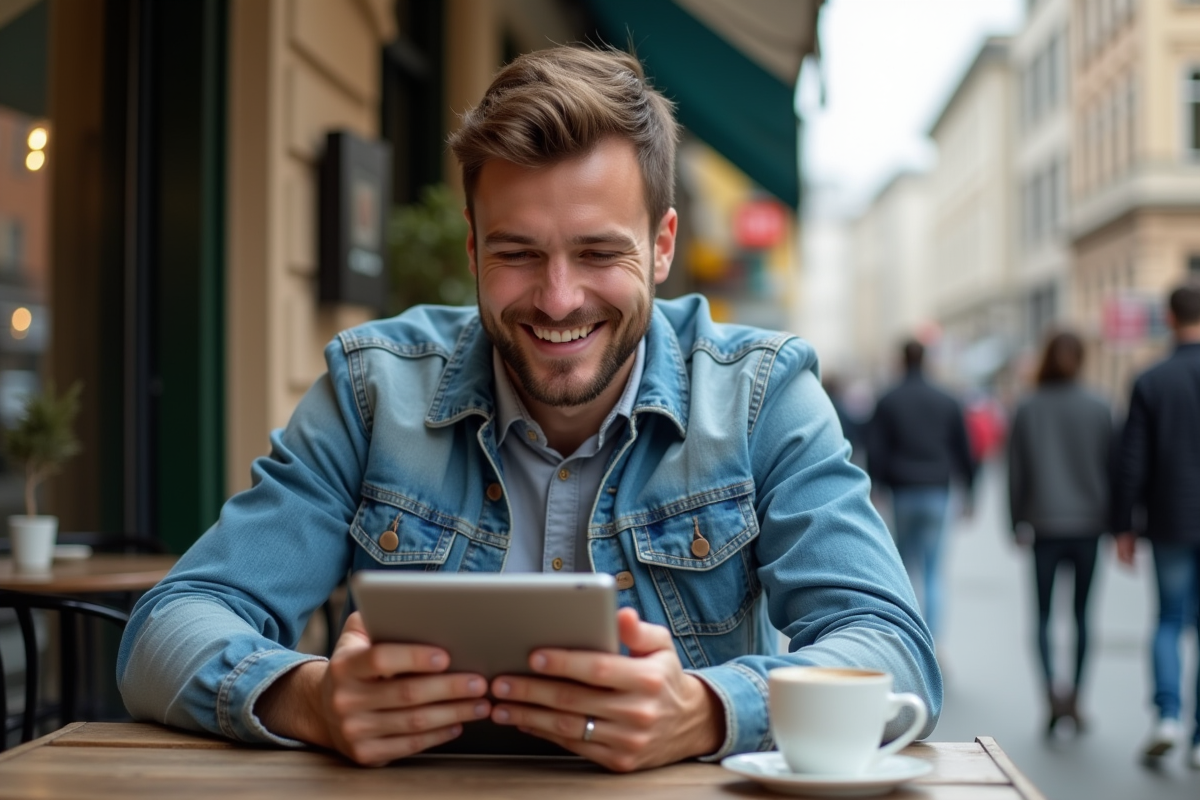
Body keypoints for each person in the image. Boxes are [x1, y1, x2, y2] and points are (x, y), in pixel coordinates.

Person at [116, 45, 939, 772]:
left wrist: (707, 711)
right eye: (517, 253)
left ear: (661, 246)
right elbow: (166, 629)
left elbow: (890, 648)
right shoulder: (373, 392)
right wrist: (310, 699)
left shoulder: (762, 395)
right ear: (474, 247)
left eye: (598, 252)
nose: (558, 298)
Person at [1007, 332, 1113, 737]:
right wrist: (1117, 521)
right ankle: (1077, 699)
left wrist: (1016, 521)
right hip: (1089, 524)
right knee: (1083, 616)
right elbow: (1114, 467)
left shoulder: (1028, 407)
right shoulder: (1100, 406)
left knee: (1043, 616)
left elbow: (1016, 470)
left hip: (1044, 524)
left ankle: (1051, 694)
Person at [1112, 283, 1200, 769]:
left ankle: (1168, 717)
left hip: (1170, 518)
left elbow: (1131, 459)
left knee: (1168, 620)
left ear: (1168, 318)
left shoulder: (1151, 379)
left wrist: (1124, 524)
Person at [867, 339, 975, 644]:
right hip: (937, 491)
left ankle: (906, 639)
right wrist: (970, 491)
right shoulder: (946, 399)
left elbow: (876, 448)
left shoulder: (888, 400)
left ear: (902, 360)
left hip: (902, 491)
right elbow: (965, 450)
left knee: (903, 570)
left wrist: (875, 485)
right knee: (933, 570)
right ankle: (933, 641)